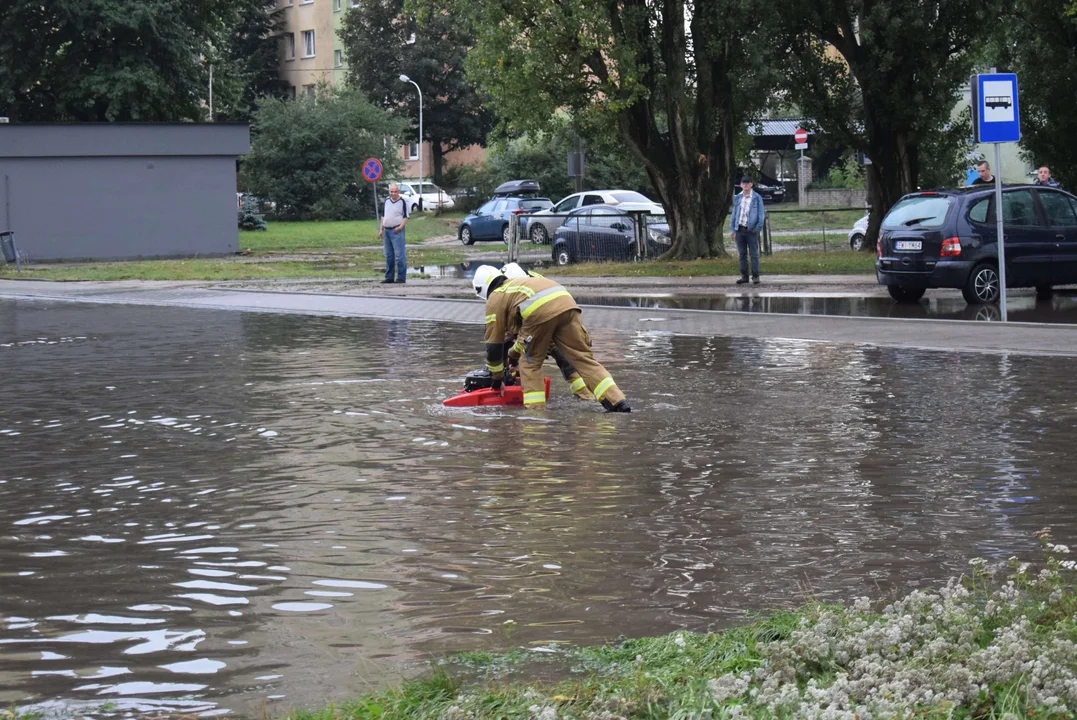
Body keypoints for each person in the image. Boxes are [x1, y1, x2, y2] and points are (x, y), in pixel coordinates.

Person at [472, 265, 630, 412]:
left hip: (540, 313)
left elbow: (493, 346)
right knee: (582, 359)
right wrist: (512, 355)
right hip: (568, 304)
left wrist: (497, 381)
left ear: (483, 289)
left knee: (530, 363)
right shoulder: (524, 281)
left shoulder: (496, 297)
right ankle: (617, 401)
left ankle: (536, 417)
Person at [500, 262, 595, 401]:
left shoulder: (517, 289)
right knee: (566, 357)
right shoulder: (533, 279)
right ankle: (588, 395)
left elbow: (506, 333)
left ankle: (584, 394)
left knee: (545, 355)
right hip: (558, 317)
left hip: (542, 320)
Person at [729, 175, 764, 285]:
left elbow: (761, 214)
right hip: (740, 229)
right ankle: (744, 276)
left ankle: (755, 276)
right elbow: (734, 214)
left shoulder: (756, 198)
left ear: (751, 184)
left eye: (747, 183)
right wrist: (732, 229)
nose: (745, 185)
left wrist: (757, 228)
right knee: (742, 254)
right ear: (741, 185)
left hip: (751, 230)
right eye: (743, 183)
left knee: (754, 254)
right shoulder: (738, 197)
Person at [378, 183, 409, 284]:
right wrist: (381, 229)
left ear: (398, 192)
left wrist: (400, 227)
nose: (393, 193)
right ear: (389, 192)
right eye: (391, 191)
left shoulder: (403, 201)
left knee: (399, 256)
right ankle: (389, 277)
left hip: (397, 230)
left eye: (395, 191)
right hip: (387, 230)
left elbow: (406, 216)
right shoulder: (387, 200)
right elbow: (383, 216)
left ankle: (401, 277)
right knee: (388, 255)